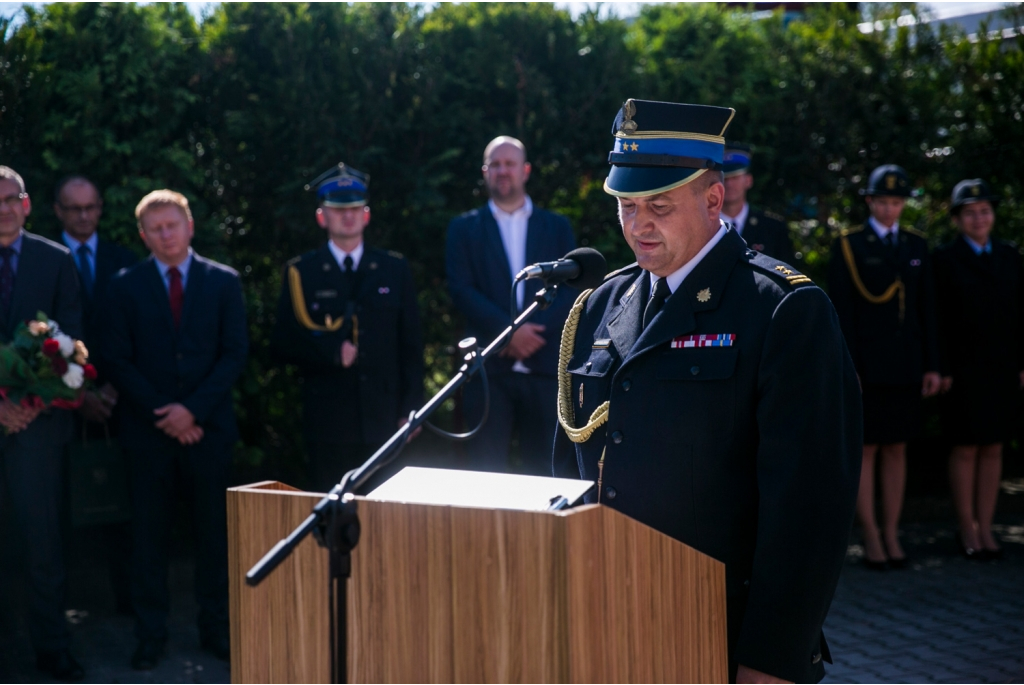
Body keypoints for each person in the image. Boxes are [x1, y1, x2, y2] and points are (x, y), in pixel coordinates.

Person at [552, 99, 861, 684]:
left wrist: (769, 661)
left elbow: (808, 512)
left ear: (713, 200)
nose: (638, 225)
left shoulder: (783, 310)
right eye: (626, 205)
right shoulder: (597, 307)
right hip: (607, 627)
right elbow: (566, 474)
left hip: (719, 633)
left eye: (659, 206)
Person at [102, 190, 248, 670]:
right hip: (148, 433)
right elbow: (118, 360)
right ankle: (150, 634)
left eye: (173, 224)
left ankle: (216, 629)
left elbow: (234, 354)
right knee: (148, 539)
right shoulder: (125, 286)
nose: (166, 234)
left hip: (208, 432)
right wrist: (166, 412)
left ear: (190, 227)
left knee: (214, 536)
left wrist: (193, 411)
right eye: (156, 228)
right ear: (143, 235)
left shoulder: (223, 282)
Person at [270, 163, 423, 491]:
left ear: (366, 216)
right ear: (321, 217)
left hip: (384, 420)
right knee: (333, 516)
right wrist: (329, 352)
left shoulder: (393, 269)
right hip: (328, 422)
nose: (348, 217)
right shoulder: (302, 273)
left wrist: (411, 409)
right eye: (338, 211)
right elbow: (282, 343)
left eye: (354, 209)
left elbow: (411, 345)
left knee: (385, 517)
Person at [827, 164, 941, 570]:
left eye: (896, 202)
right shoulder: (849, 245)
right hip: (867, 368)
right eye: (883, 202)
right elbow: (841, 313)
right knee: (868, 450)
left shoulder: (915, 245)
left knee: (897, 448)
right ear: (870, 202)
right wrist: (849, 366)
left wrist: (932, 364)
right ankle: (871, 535)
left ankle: (892, 532)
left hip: (906, 365)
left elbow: (927, 310)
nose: (890, 209)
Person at [446, 136, 577, 474]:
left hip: (545, 365)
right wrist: (507, 333)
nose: (503, 171)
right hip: (489, 370)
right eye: (496, 164)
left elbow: (570, 290)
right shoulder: (463, 229)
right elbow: (461, 290)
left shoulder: (557, 227)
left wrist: (534, 333)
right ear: (485, 172)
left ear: (526, 170)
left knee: (547, 474)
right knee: (484, 474)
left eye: (510, 164)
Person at [0, 166, 85, 681]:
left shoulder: (56, 260)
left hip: (38, 427)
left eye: (12, 199)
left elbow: (73, 339)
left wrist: (31, 402)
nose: (4, 209)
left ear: (27, 204)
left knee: (42, 545)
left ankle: (50, 652)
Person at [53, 174, 138, 614]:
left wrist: (110, 389)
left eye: (90, 207)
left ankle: (127, 601)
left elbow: (140, 336)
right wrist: (77, 392)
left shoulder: (125, 262)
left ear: (101, 208)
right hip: (57, 404)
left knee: (123, 503)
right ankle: (64, 604)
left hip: (118, 403)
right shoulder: (43, 261)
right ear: (57, 212)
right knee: (60, 506)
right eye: (74, 208)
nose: (83, 216)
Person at [933, 178, 1019, 561]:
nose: (979, 218)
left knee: (994, 448)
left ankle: (987, 526)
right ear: (957, 219)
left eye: (985, 211)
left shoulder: (1009, 255)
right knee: (966, 449)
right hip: (963, 370)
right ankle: (966, 527)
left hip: (1001, 367)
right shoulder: (945, 259)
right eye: (970, 212)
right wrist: (941, 366)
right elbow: (936, 319)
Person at [720, 143, 796, 264]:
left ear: (748, 180)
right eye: (724, 178)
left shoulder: (773, 228)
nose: (729, 184)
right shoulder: (703, 228)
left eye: (735, 177)